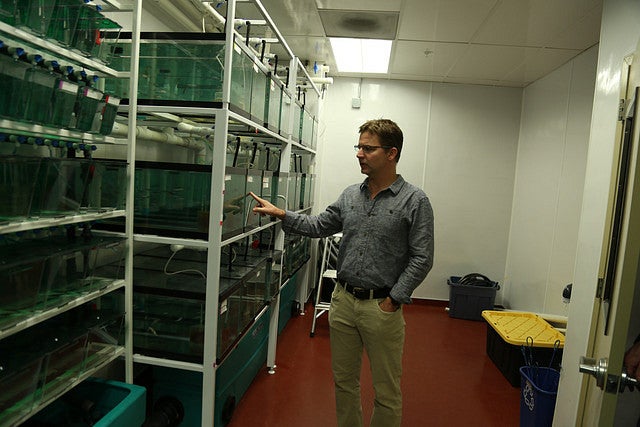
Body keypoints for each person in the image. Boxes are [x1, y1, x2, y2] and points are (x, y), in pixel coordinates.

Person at [249, 118, 434, 427]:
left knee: (386, 390)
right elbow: (320, 225)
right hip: (343, 302)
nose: (359, 154)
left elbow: (422, 257)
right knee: (343, 383)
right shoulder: (351, 195)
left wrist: (393, 300)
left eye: (368, 148)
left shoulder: (415, 201)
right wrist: (283, 214)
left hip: (381, 307)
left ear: (391, 153)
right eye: (358, 147)